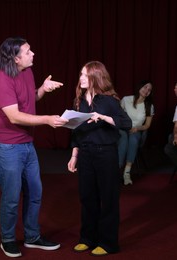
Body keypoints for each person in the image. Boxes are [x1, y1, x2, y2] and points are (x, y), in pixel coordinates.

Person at [0, 37, 68, 258]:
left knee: (35, 192)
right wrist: (47, 120)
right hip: (6, 146)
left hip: (26, 143)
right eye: (28, 51)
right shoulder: (1, 79)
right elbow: (14, 116)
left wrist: (42, 88)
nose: (33, 53)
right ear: (15, 58)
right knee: (12, 196)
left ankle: (32, 237)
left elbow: (29, 100)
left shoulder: (27, 72)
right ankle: (8, 239)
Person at [67, 61, 132, 256]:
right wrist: (74, 155)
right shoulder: (79, 101)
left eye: (85, 75)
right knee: (87, 198)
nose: (81, 79)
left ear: (96, 77)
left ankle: (108, 243)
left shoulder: (109, 101)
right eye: (80, 75)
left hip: (106, 153)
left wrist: (102, 117)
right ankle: (87, 238)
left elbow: (126, 123)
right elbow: (76, 132)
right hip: (85, 154)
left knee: (108, 199)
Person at [118, 80, 154, 185]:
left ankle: (127, 173)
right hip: (123, 129)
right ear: (140, 87)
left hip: (137, 131)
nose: (147, 90)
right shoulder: (126, 99)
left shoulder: (149, 106)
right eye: (145, 87)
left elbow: (147, 125)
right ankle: (117, 169)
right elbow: (118, 116)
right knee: (123, 139)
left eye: (149, 90)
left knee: (133, 139)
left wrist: (137, 128)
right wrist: (125, 126)